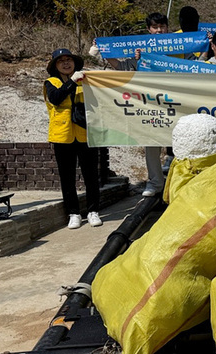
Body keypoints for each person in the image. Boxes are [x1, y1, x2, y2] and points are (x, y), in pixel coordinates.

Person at [88, 15, 167, 197]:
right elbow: (121, 66)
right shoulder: (140, 50)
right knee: (151, 145)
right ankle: (155, 183)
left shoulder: (177, 48)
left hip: (174, 102)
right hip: (150, 104)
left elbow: (193, 63)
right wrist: (105, 50)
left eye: (162, 26)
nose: (159, 30)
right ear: (149, 29)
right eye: (155, 27)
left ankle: (179, 181)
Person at [44, 49, 102, 229]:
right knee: (67, 177)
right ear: (55, 65)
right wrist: (72, 82)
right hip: (63, 136)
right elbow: (56, 98)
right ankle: (74, 213)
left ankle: (93, 211)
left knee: (91, 175)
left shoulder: (86, 81)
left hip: (85, 133)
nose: (66, 63)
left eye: (69, 60)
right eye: (61, 61)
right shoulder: (50, 83)